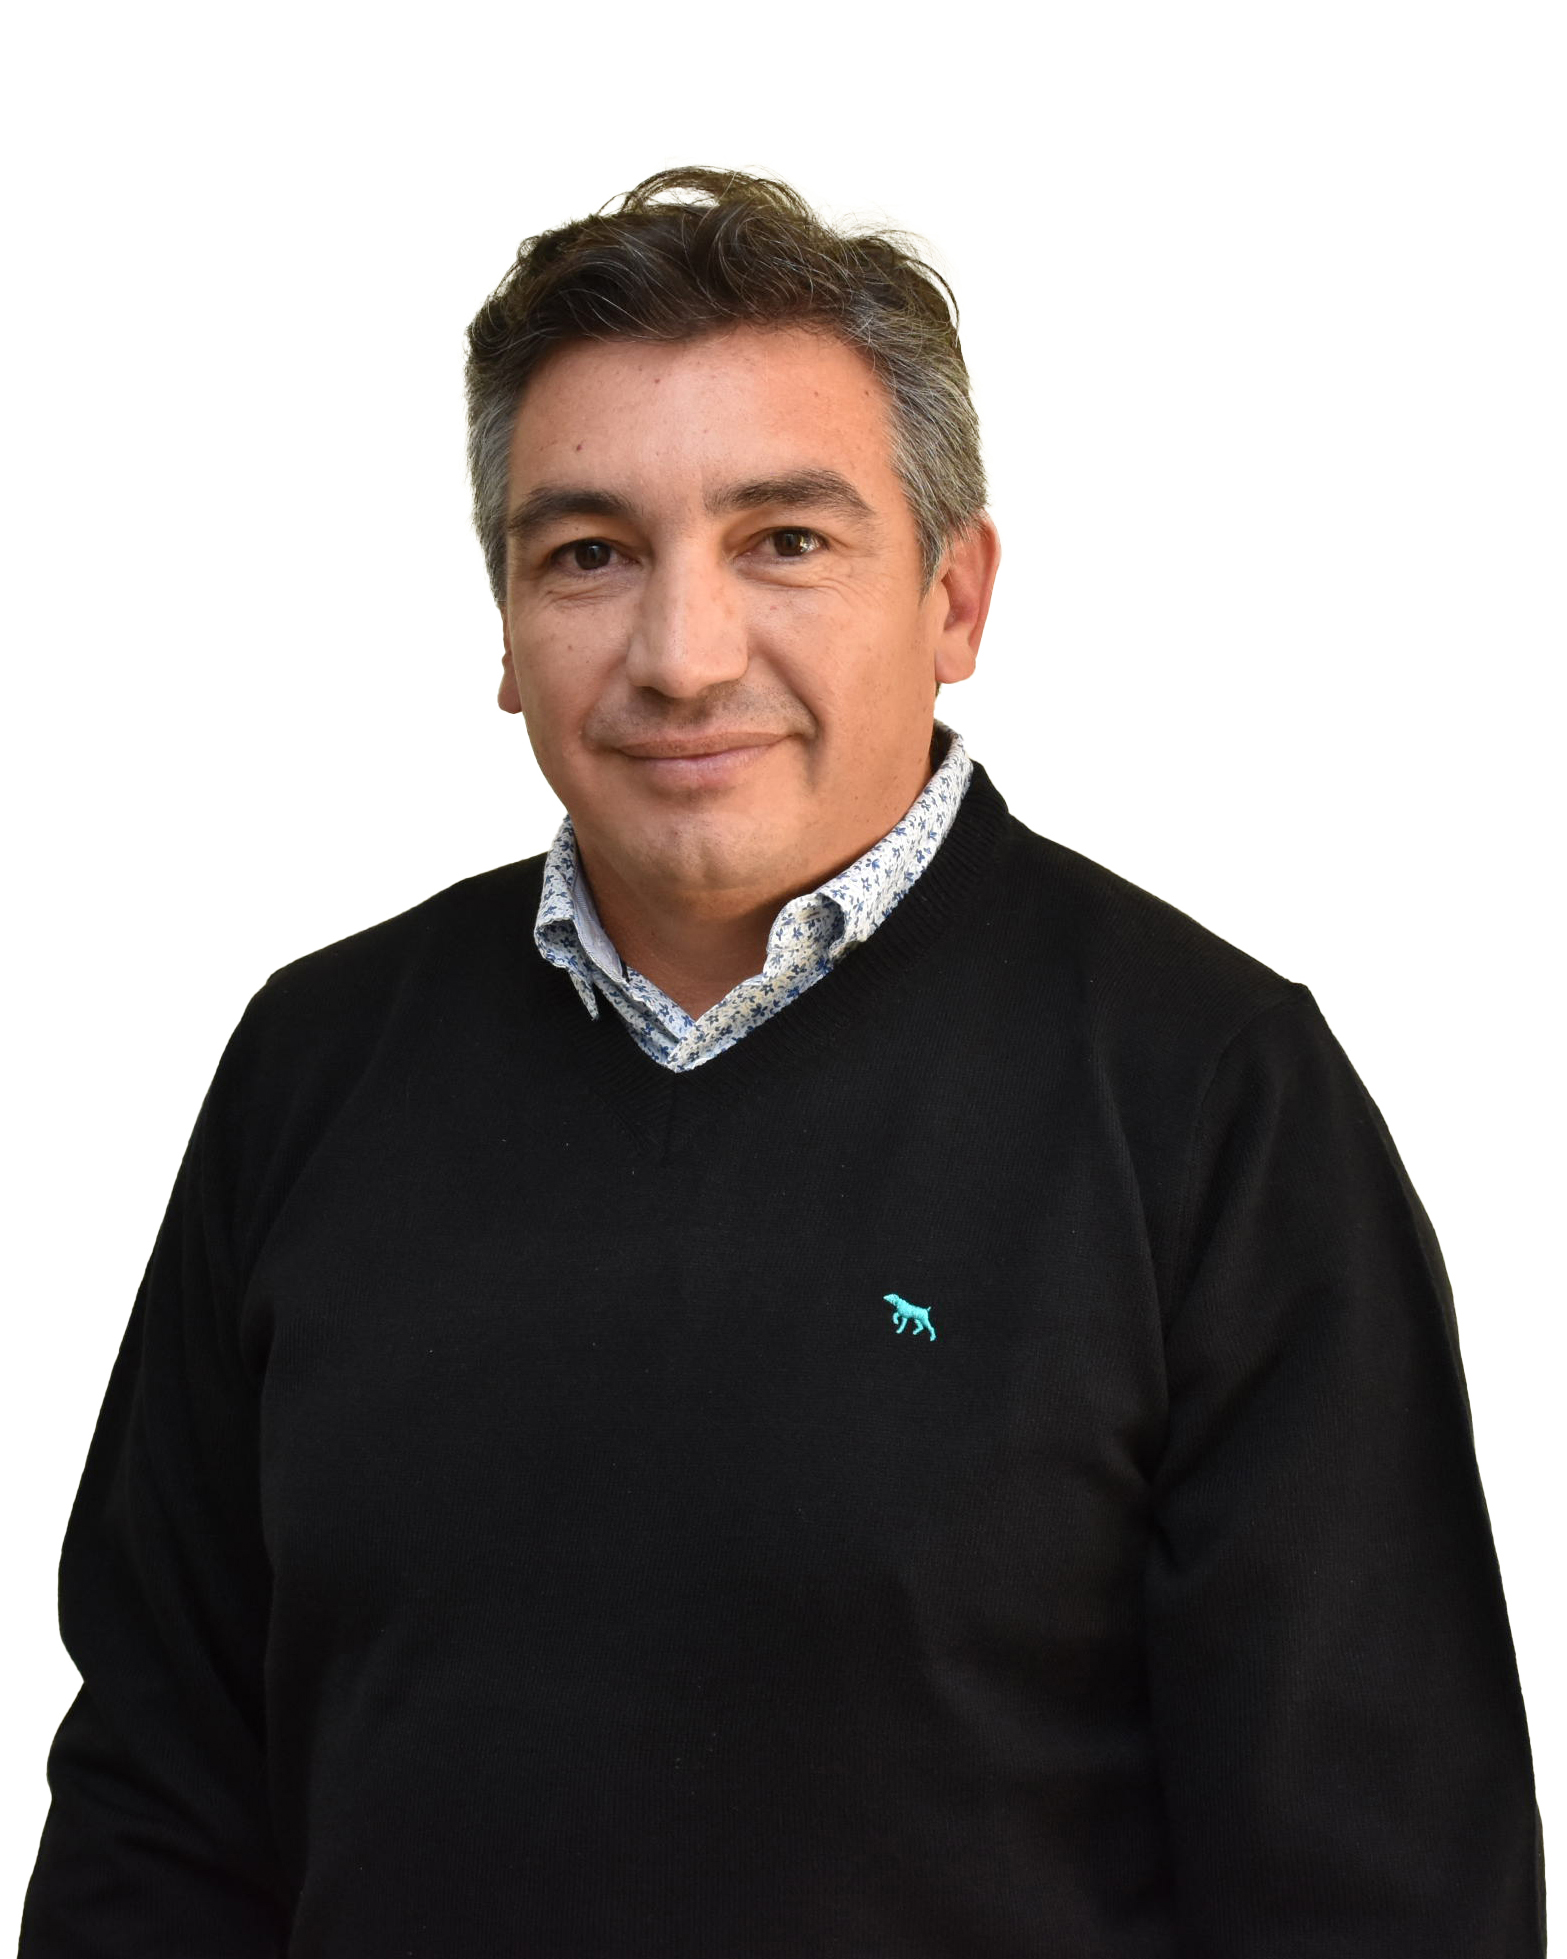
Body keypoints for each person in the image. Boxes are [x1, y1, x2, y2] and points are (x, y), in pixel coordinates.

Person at [20, 166, 1545, 1957]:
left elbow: (1381, 1902)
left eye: (786, 543)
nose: (683, 657)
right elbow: (158, 1808)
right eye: (590, 555)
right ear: (503, 625)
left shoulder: (1210, 1101)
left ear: (957, 599)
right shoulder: (316, 1066)